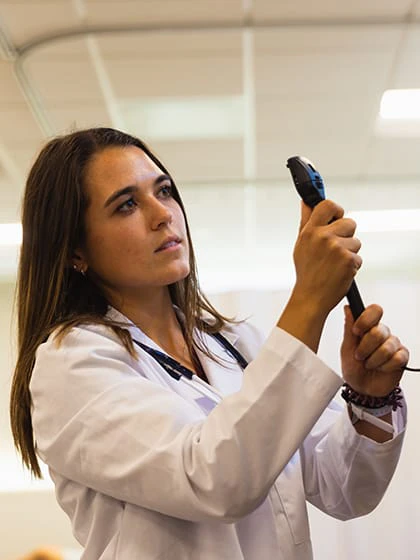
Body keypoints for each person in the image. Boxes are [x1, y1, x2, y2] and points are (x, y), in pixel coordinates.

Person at [10, 127, 408, 560]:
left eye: (164, 191)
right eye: (127, 205)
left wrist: (370, 400)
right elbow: (213, 480)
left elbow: (342, 488)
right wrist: (309, 301)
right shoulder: (71, 365)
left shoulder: (233, 343)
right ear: (75, 252)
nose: (162, 214)